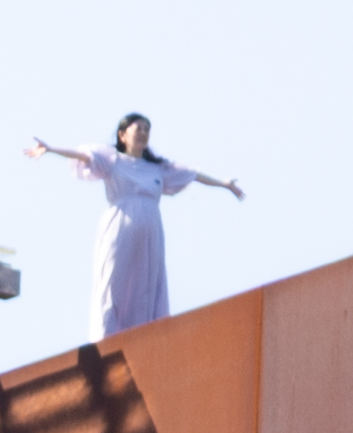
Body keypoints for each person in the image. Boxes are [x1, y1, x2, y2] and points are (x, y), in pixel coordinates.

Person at [32, 111, 241, 339]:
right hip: (120, 228)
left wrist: (224, 184)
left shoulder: (156, 168)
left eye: (146, 129)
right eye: (138, 129)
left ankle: (148, 337)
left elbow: (193, 174)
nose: (143, 133)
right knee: (114, 281)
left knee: (147, 285)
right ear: (122, 134)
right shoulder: (113, 160)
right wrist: (51, 149)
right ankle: (105, 336)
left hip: (151, 234)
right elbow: (84, 156)